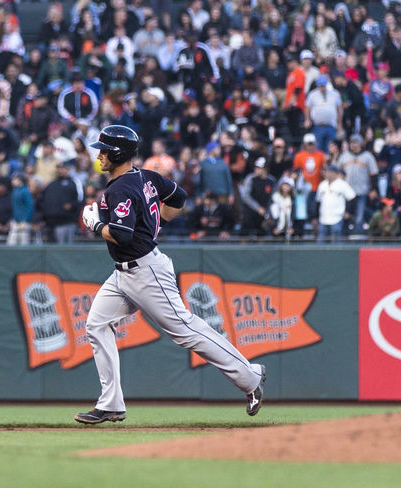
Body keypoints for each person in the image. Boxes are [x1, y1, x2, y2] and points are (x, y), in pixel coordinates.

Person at [76, 125, 265, 425]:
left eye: (103, 149)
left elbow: (123, 236)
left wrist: (95, 225)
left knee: (185, 330)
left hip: (146, 270)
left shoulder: (120, 188)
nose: (99, 155)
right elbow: (178, 197)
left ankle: (250, 377)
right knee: (96, 324)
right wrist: (156, 223)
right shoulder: (146, 176)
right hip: (124, 273)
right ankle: (111, 403)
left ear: (117, 153)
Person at [316, 165, 355, 243]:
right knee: (320, 243)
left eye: (330, 172)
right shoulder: (322, 185)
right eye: (326, 172)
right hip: (323, 218)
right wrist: (316, 216)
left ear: (336, 173)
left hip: (337, 217)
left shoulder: (342, 184)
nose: (328, 174)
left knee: (336, 243)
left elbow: (352, 198)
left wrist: (348, 212)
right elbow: (318, 201)